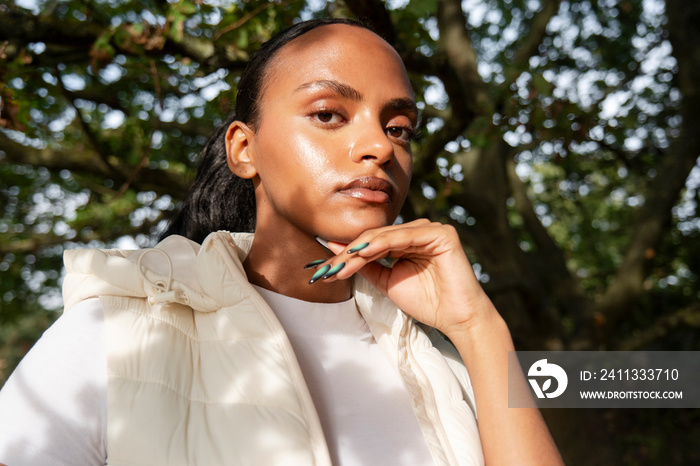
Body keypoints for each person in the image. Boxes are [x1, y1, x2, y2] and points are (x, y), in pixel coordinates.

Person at [0, 17, 563, 466]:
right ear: (244, 149)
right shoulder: (118, 332)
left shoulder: (443, 361)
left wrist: (479, 330)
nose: (379, 147)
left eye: (399, 129)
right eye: (328, 114)